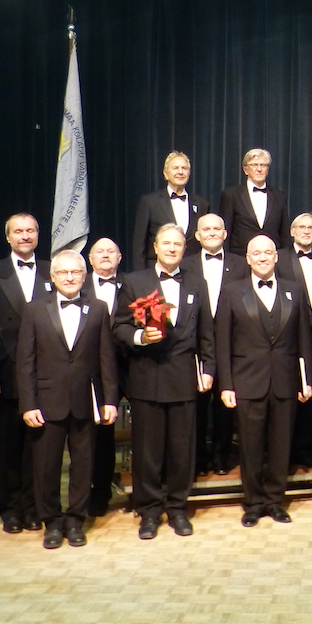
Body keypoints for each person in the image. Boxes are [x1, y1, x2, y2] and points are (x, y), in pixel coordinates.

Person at [114, 224, 216, 540]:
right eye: (166, 243)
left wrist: (209, 368)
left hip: (184, 378)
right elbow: (118, 327)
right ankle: (149, 512)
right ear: (155, 247)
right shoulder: (134, 281)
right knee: (147, 451)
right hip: (147, 378)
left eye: (178, 244)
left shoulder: (197, 283)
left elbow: (206, 332)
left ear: (184, 249)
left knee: (182, 451)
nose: (172, 248)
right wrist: (140, 337)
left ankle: (178, 509)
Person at [17, 250, 120, 549]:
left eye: (76, 272)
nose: (70, 277)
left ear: (84, 276)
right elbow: (25, 361)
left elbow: (106, 359)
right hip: (46, 402)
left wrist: (109, 400)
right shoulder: (34, 309)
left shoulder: (98, 308)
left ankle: (76, 520)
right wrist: (28, 403)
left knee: (83, 465)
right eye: (63, 272)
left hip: (86, 402)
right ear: (53, 276)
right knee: (46, 466)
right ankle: (51, 521)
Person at [216, 235, 312, 527]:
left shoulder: (295, 290)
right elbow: (223, 342)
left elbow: (304, 339)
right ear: (247, 258)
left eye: (267, 252)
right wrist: (227, 384)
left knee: (281, 445)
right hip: (247, 382)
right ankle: (254, 503)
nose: (262, 257)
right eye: (256, 253)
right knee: (250, 445)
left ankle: (275, 500)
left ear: (276, 257)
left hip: (285, 381)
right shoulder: (232, 291)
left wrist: (305, 380)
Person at [0, 212, 53, 534]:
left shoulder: (53, 270)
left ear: (38, 235)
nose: (25, 236)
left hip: (47, 372)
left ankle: (35, 505)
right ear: (7, 237)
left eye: (30, 231)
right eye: (18, 231)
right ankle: (9, 507)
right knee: (6, 443)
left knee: (40, 444)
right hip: (5, 371)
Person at [180, 214, 248, 475]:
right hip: (196, 346)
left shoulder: (241, 264)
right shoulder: (185, 265)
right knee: (195, 406)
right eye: (205, 229)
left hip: (233, 346)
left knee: (226, 406)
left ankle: (221, 457)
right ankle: (197, 459)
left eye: (216, 228)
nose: (211, 233)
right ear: (196, 235)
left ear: (225, 233)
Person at [275, 213, 312, 466]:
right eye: (301, 227)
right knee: (288, 393)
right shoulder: (280, 258)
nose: (306, 231)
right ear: (292, 231)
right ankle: (284, 453)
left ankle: (305, 452)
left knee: (311, 395)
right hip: (287, 333)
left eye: (311, 228)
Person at [82, 237, 125, 516]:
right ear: (90, 259)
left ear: (120, 258)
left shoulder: (134, 285)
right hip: (90, 371)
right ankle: (94, 494)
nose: (106, 255)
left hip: (130, 367)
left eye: (111, 251)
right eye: (100, 251)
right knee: (94, 435)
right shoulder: (76, 284)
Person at [131, 151, 210, 269]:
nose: (180, 172)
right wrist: (140, 276)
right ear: (166, 174)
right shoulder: (150, 202)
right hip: (156, 271)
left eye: (184, 168)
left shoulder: (201, 204)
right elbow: (139, 244)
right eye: (175, 168)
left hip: (192, 271)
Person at [218, 148, 291, 255]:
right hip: (240, 258)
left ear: (268, 169)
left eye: (263, 165)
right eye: (254, 165)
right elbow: (226, 232)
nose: (259, 169)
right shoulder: (231, 195)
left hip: (272, 257)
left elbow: (285, 233)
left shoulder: (279, 196)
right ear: (246, 170)